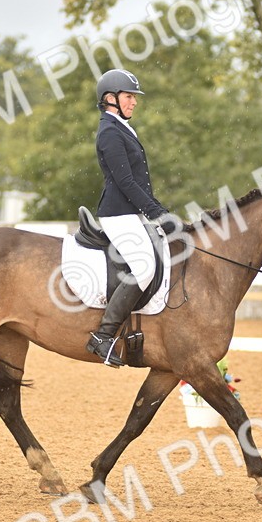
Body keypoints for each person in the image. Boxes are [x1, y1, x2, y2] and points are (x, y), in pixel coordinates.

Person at [86, 68, 177, 367]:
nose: (134, 102)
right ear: (110, 99)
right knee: (143, 267)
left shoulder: (121, 127)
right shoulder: (110, 132)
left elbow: (140, 182)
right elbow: (126, 183)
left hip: (131, 212)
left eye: (133, 97)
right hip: (117, 213)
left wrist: (161, 212)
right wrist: (156, 213)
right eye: (129, 97)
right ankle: (103, 335)